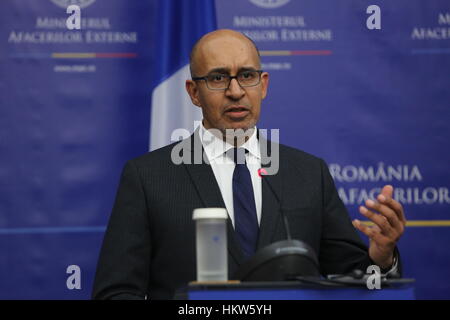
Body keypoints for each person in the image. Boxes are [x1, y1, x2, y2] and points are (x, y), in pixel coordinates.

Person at [92, 29, 407, 300]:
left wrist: (381, 258)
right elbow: (115, 292)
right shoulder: (148, 177)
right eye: (218, 78)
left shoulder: (309, 174)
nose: (235, 91)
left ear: (263, 84)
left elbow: (354, 279)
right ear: (193, 92)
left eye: (246, 75)